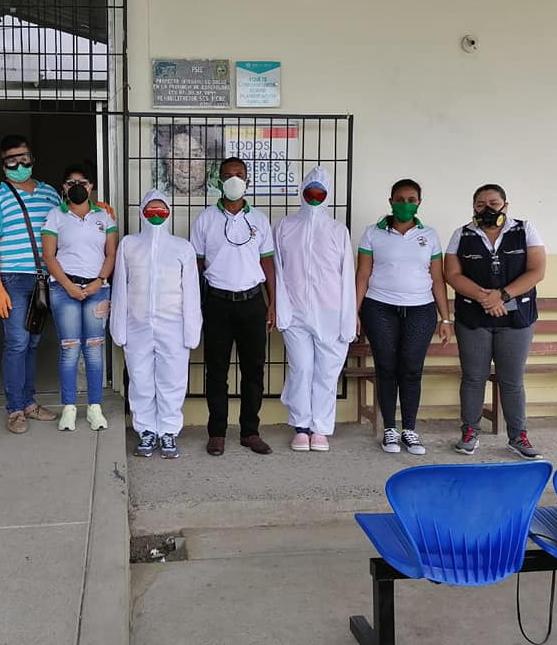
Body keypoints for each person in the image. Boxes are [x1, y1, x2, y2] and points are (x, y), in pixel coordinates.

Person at [444, 183, 546, 459]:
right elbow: (452, 274)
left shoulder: (524, 229)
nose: (487, 209)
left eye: (493, 203)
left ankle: (518, 436)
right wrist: (484, 298)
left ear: (505, 205)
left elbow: (537, 270)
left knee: (511, 380)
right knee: (473, 377)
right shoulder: (461, 234)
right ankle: (469, 432)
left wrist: (502, 296)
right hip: (473, 318)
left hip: (517, 317)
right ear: (473, 207)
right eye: (480, 204)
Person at [355, 178, 452, 456]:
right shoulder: (372, 233)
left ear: (419, 203)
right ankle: (389, 429)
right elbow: (363, 274)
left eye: (411, 200)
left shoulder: (429, 235)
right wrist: (354, 312)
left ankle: (409, 429)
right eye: (399, 199)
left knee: (411, 368)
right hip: (379, 307)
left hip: (420, 310)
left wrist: (445, 319)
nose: (405, 204)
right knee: (386, 367)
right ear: (390, 202)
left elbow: (437, 279)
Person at [190, 156, 276, 456]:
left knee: (254, 370)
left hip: (252, 302)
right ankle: (217, 433)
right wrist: (196, 305)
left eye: (239, 174)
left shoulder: (260, 220)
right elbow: (197, 265)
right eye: (227, 175)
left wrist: (273, 302)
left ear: (248, 181)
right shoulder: (205, 219)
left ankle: (250, 432)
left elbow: (267, 263)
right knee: (216, 371)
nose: (234, 180)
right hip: (217, 303)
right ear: (219, 181)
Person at [111, 189, 202, 459]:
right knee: (139, 379)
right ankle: (146, 430)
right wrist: (119, 326)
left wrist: (191, 330)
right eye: (151, 209)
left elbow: (191, 292)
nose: (156, 214)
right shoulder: (129, 245)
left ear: (170, 212)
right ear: (141, 212)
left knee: (172, 379)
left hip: (173, 325)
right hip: (137, 324)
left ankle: (168, 431)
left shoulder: (182, 247)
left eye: (161, 209)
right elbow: (120, 287)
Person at [0, 135, 61, 434]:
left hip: (44, 279)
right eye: (11, 160)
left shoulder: (50, 194)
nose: (19, 164)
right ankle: (15, 408)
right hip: (13, 279)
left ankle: (29, 403)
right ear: (3, 165)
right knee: (17, 343)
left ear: (32, 158)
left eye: (23, 158)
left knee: (33, 343)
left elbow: (67, 224)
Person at [274, 166, 356, 452]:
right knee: (301, 369)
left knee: (326, 373)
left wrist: (348, 318)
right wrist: (282, 310)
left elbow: (347, 276)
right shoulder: (284, 226)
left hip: (331, 313)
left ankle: (320, 428)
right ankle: (300, 426)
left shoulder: (337, 230)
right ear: (301, 192)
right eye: (309, 191)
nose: (314, 197)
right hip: (295, 312)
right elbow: (278, 271)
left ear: (328, 195)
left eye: (320, 193)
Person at [41, 164, 118, 432]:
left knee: (94, 349)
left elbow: (111, 253)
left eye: (83, 182)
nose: (77, 187)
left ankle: (95, 407)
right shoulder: (55, 215)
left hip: (98, 288)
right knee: (70, 348)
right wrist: (68, 285)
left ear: (91, 186)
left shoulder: (104, 216)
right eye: (71, 182)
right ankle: (69, 408)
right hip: (64, 290)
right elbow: (49, 255)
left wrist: (99, 281)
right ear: (63, 187)